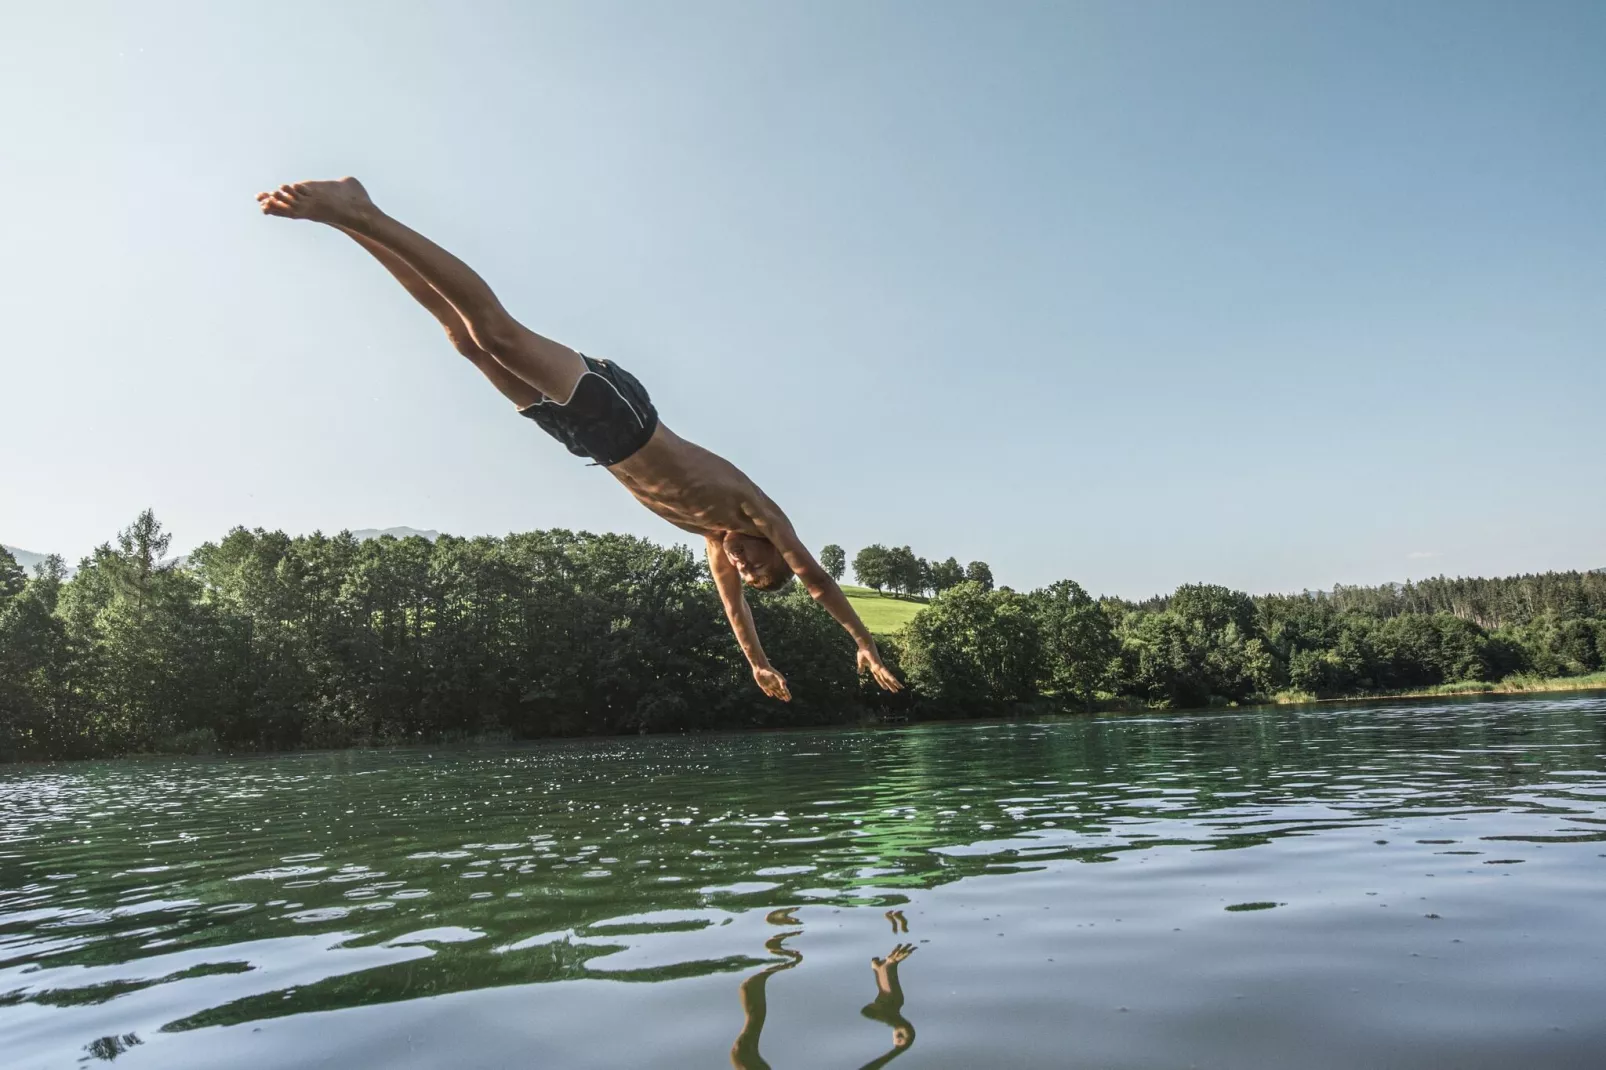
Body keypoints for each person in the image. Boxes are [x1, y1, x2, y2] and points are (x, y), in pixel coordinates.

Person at [257, 178, 903, 702]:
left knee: (465, 345)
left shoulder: (712, 539)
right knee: (496, 334)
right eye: (761, 567)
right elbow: (814, 577)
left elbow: (737, 613)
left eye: (749, 575)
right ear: (773, 551)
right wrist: (862, 641)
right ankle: (365, 212)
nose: (745, 568)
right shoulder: (755, 511)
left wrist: (758, 664)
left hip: (586, 443)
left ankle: (349, 224)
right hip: (624, 417)